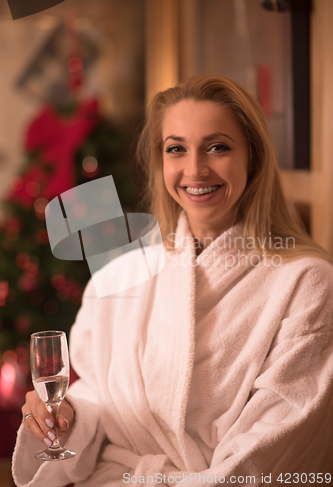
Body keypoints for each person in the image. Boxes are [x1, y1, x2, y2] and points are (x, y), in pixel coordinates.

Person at [13, 74, 333, 487]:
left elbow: (271, 452)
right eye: (176, 149)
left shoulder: (306, 284)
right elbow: (100, 398)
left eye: (217, 147)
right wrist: (67, 413)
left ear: (252, 157)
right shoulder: (118, 278)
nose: (195, 169)